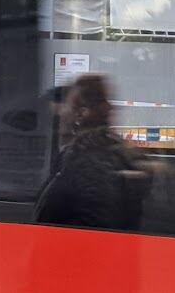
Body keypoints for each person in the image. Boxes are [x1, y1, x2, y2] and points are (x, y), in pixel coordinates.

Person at [34, 74, 151, 230]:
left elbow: (96, 227)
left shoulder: (91, 161)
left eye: (65, 105)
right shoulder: (88, 153)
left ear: (81, 114)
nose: (60, 112)